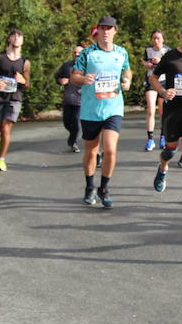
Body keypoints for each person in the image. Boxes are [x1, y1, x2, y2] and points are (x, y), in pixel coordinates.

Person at [71, 16, 132, 208]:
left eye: (109, 28)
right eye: (102, 28)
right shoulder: (87, 54)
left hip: (113, 108)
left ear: (115, 31)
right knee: (91, 149)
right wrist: (83, 80)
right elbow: (74, 76)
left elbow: (127, 70)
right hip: (91, 110)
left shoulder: (121, 52)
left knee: (111, 149)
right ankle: (90, 186)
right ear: (97, 31)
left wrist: (127, 80)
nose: (105, 31)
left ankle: (104, 188)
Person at [149, 23, 182, 204]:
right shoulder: (170, 56)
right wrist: (163, 92)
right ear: (181, 37)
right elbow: (153, 78)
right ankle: (163, 167)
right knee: (170, 150)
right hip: (173, 109)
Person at [0, 29, 30, 172]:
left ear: (22, 41)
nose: (16, 38)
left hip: (14, 98)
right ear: (9, 39)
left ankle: (1, 160)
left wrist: (23, 81)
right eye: (14, 36)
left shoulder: (25, 62)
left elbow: (27, 84)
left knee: (6, 128)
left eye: (19, 36)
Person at [142, 30, 169, 152]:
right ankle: (150, 139)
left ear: (163, 39)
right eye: (154, 38)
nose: (156, 41)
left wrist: (160, 62)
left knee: (163, 112)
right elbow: (143, 61)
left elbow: (171, 65)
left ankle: (163, 137)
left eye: (158, 38)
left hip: (164, 81)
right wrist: (147, 64)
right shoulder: (148, 50)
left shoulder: (167, 50)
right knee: (150, 110)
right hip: (151, 81)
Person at [55, 44, 83, 153]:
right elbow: (57, 76)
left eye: (79, 53)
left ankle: (74, 142)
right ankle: (73, 135)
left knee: (76, 122)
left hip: (81, 100)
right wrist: (60, 81)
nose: (76, 54)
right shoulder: (67, 65)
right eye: (75, 52)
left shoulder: (88, 66)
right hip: (68, 99)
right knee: (67, 123)